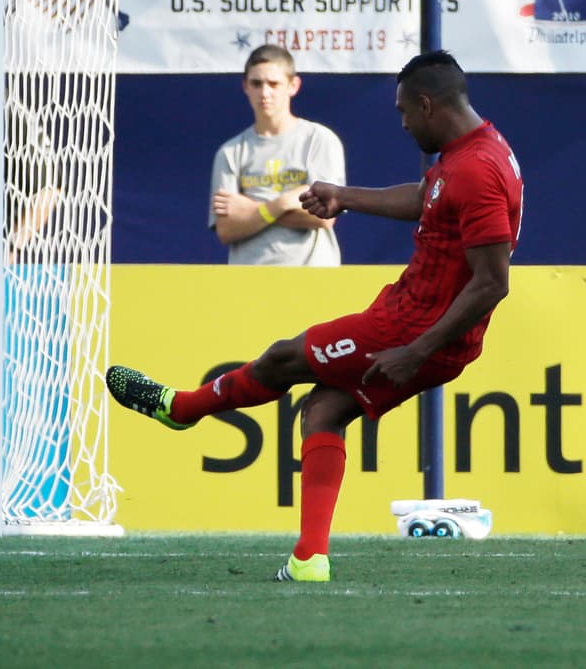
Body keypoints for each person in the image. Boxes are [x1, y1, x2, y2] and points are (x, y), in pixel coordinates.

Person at [108, 51, 522, 582]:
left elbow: (493, 282)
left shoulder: (478, 170)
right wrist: (344, 196)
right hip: (410, 313)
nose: (401, 123)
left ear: (427, 104)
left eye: (403, 112)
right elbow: (425, 199)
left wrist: (417, 350)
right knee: (324, 411)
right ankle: (309, 559)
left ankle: (183, 408)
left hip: (414, 328)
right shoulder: (471, 150)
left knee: (285, 357)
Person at [209, 44, 345, 265]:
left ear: (293, 85)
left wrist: (251, 210)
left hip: (313, 278)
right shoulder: (230, 152)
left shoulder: (319, 140)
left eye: (274, 84)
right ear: (245, 86)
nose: (265, 93)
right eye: (256, 84)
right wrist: (284, 202)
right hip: (249, 282)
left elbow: (324, 217)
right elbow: (226, 229)